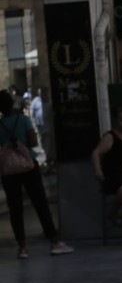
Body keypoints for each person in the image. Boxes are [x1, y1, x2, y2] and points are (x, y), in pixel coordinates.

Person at [0, 90, 74, 259]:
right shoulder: (23, 120)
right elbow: (33, 142)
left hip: (9, 171)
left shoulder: (0, 125)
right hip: (28, 166)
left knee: (15, 208)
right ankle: (54, 242)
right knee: (40, 203)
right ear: (12, 104)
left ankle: (22, 247)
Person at [91, 105, 122, 223]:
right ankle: (114, 213)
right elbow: (96, 153)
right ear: (116, 120)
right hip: (113, 176)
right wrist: (98, 170)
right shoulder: (110, 137)